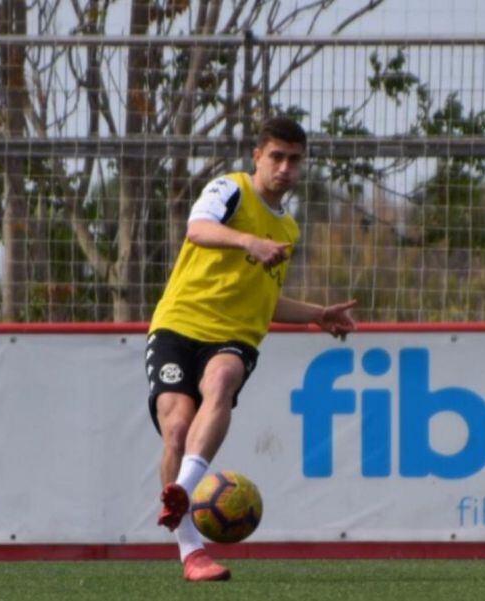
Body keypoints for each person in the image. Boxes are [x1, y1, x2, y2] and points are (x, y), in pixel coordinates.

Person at [145, 116, 357, 582]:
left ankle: (179, 491)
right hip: (178, 323)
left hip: (234, 335)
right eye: (276, 156)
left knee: (222, 379)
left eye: (295, 160)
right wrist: (249, 241)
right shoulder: (231, 189)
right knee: (176, 428)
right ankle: (190, 551)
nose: (285, 167)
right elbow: (197, 229)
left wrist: (318, 314)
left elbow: (265, 299)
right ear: (257, 156)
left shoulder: (289, 230)